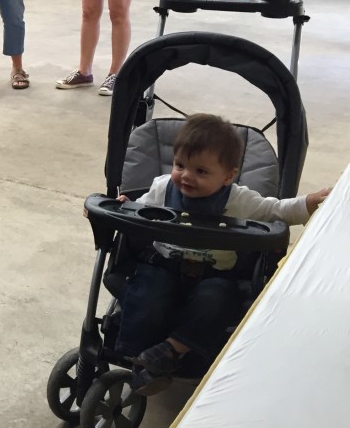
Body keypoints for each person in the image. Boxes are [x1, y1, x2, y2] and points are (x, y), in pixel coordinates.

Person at [115, 113, 330, 395]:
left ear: (228, 176)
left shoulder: (240, 200)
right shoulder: (162, 188)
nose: (186, 176)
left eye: (201, 172)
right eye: (180, 165)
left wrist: (309, 203)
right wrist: (121, 206)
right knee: (147, 287)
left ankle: (172, 350)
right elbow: (139, 210)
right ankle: (136, 356)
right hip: (163, 265)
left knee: (219, 299)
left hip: (213, 276)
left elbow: (275, 211)